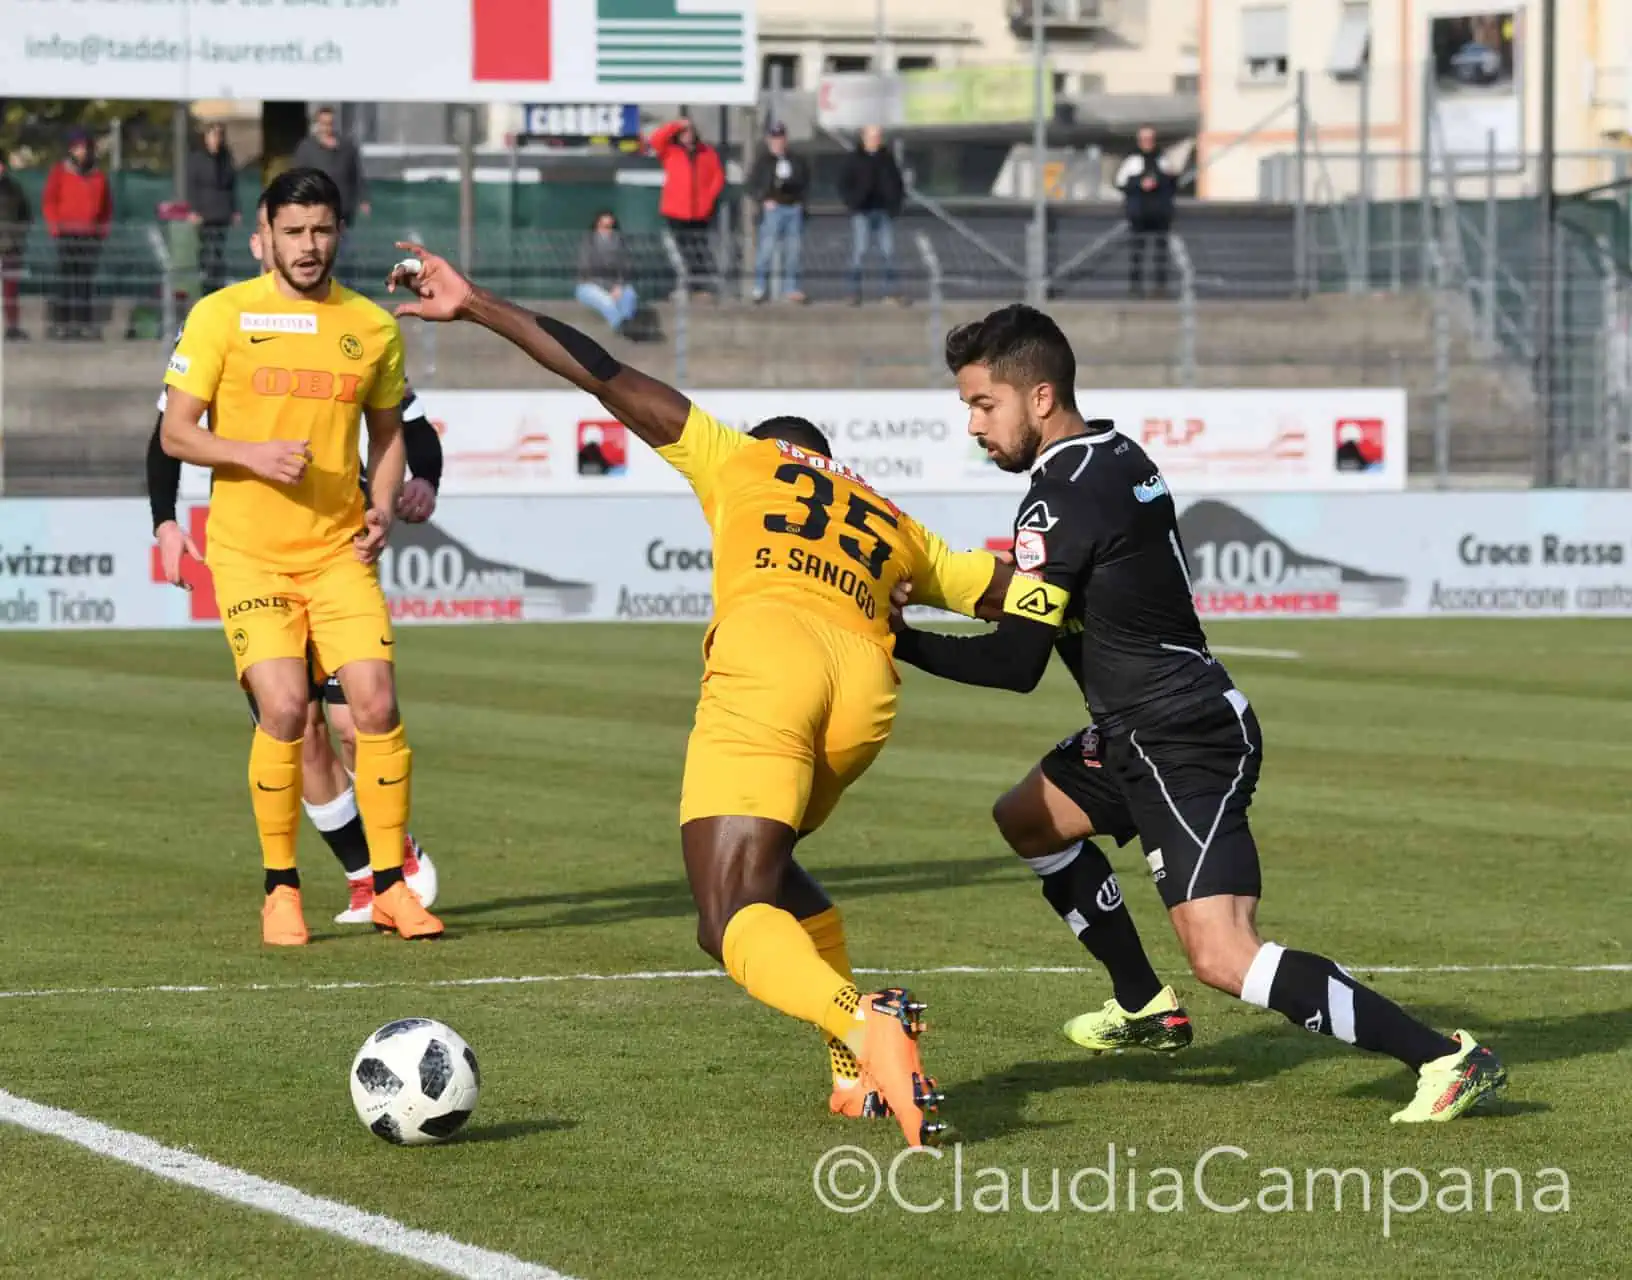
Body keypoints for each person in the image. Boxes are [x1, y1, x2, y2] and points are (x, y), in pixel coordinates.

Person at [387, 239, 1014, 1148]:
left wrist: (476, 303)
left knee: (726, 918)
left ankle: (860, 1019)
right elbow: (1006, 597)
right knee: (770, 875)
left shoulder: (742, 459)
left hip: (773, 664)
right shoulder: (895, 522)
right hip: (867, 692)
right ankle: (854, 1075)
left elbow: (600, 372)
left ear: (777, 452)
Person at [891, 304, 1508, 1124]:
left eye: (982, 404)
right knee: (1029, 820)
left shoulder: (1060, 499)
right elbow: (1066, 596)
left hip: (1180, 735)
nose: (973, 425)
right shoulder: (1113, 455)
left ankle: (1445, 1057)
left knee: (1224, 953)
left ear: (1039, 398)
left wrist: (897, 638)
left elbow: (1014, 661)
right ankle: (1144, 1005)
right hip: (1139, 727)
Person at [159, 168, 442, 946]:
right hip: (250, 555)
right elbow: (176, 433)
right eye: (294, 232)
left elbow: (389, 437)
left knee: (376, 706)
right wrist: (249, 454)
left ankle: (390, 888)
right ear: (267, 234)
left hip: (338, 552)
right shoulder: (221, 316)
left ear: (337, 232)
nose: (308, 246)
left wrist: (382, 505)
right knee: (286, 711)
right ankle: (280, 889)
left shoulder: (371, 326)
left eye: (321, 230)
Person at [42, 129, 111, 339]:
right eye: (79, 147)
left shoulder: (98, 176)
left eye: (86, 147)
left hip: (90, 235)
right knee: (66, 280)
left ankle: (82, 324)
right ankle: (62, 324)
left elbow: (106, 206)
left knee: (84, 281)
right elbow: (49, 201)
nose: (83, 152)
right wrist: (55, 227)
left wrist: (102, 230)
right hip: (67, 233)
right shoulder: (60, 172)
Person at [649, 117, 724, 298]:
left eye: (689, 131)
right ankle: (690, 285)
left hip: (699, 211)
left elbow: (717, 177)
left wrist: (708, 200)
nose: (687, 136)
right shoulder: (670, 152)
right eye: (683, 133)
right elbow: (655, 140)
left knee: (700, 249)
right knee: (683, 250)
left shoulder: (707, 152)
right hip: (676, 211)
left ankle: (703, 286)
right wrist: (676, 124)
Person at [838, 125, 905, 306]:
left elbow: (897, 183)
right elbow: (844, 184)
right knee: (859, 251)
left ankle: (890, 293)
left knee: (888, 251)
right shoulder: (854, 159)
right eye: (872, 136)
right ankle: (853, 293)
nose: (876, 139)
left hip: (883, 210)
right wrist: (854, 201)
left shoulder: (887, 159)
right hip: (862, 211)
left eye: (878, 136)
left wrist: (895, 203)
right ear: (864, 137)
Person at [749, 123, 809, 304]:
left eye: (780, 138)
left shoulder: (796, 160)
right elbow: (751, 185)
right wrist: (764, 198)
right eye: (774, 138)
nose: (777, 142)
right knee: (766, 249)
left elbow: (805, 181)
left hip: (793, 208)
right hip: (773, 209)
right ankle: (759, 287)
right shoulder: (763, 161)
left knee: (793, 251)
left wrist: (799, 198)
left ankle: (791, 287)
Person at [1115, 126, 1177, 298]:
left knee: (1160, 253)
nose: (1147, 142)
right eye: (1144, 139)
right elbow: (1120, 183)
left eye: (1150, 139)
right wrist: (1140, 185)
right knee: (1136, 252)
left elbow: (1173, 184)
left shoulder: (1164, 160)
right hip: (1138, 213)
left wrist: (1163, 181)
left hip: (1160, 213)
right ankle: (1135, 287)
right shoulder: (1131, 161)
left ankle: (1160, 287)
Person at [187, 122, 241, 295]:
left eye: (219, 135)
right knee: (206, 249)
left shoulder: (226, 159)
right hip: (205, 212)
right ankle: (205, 285)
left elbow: (232, 185)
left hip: (222, 211)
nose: (216, 139)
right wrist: (195, 210)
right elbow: (192, 186)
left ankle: (217, 286)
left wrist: (235, 210)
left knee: (218, 251)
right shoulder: (197, 159)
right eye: (213, 135)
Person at [292, 108, 369, 227]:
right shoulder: (306, 148)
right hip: (316, 206)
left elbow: (356, 175)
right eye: (324, 123)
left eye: (330, 123)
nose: (327, 127)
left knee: (343, 241)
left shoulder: (347, 146)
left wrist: (363, 200)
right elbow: (298, 177)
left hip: (343, 207)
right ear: (318, 124)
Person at [574, 211, 639, 335]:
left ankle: (627, 321)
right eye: (604, 227)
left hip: (615, 286)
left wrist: (619, 286)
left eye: (611, 227)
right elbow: (586, 270)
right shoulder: (589, 242)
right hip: (589, 285)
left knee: (630, 294)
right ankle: (619, 324)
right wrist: (609, 288)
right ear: (597, 226)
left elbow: (626, 267)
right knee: (606, 301)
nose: (608, 231)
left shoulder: (620, 242)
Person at [0, 156, 31, 341]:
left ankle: (12, 327)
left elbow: (25, 215)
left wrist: (17, 237)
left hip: (10, 246)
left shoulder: (14, 188)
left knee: (10, 290)